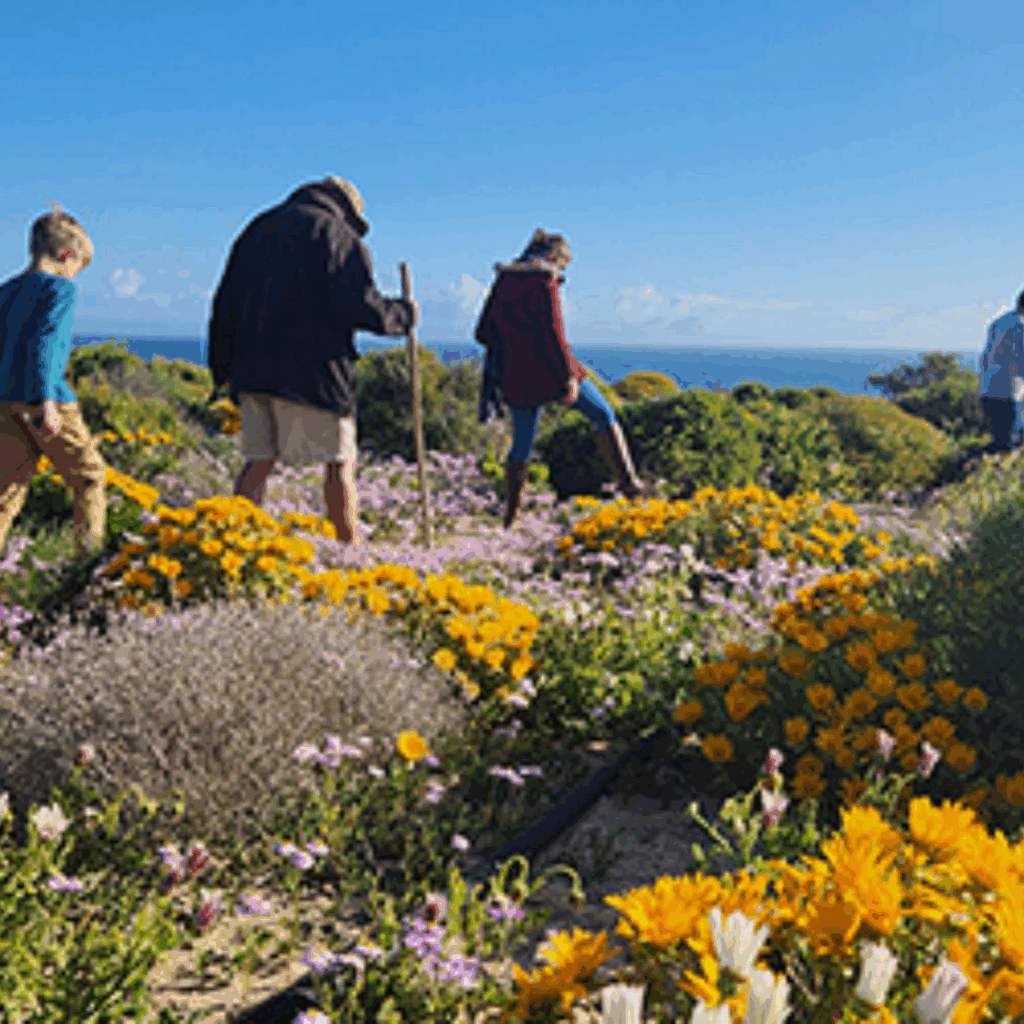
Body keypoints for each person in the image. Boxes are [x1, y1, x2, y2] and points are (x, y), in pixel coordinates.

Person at [207, 177, 418, 546]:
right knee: (339, 464)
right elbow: (359, 304)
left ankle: (234, 545)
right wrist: (402, 314)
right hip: (314, 372)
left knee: (257, 462)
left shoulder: (257, 229)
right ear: (347, 210)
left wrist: (222, 369)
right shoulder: (335, 233)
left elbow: (225, 304)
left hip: (252, 369)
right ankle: (350, 555)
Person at [475, 229, 648, 530]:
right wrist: (567, 376)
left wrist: (514, 345)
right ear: (554, 256)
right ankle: (630, 485)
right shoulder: (544, 280)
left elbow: (482, 332)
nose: (562, 272)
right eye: (564, 265)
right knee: (604, 415)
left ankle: (510, 516)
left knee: (522, 444)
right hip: (550, 370)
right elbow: (554, 333)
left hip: (516, 374)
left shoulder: (503, 280)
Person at [0, 203, 107, 559]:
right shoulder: (60, 289)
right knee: (88, 479)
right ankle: (86, 568)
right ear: (66, 255)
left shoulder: (7, 290)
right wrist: (47, 401)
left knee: (5, 493)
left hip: (4, 399)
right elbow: (46, 342)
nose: (75, 275)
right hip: (45, 398)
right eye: (78, 267)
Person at [978, 288, 1024, 454]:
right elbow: (1020, 361)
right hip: (1008, 393)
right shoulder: (1020, 326)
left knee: (1000, 441)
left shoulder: (999, 322)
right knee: (1009, 446)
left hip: (988, 389)